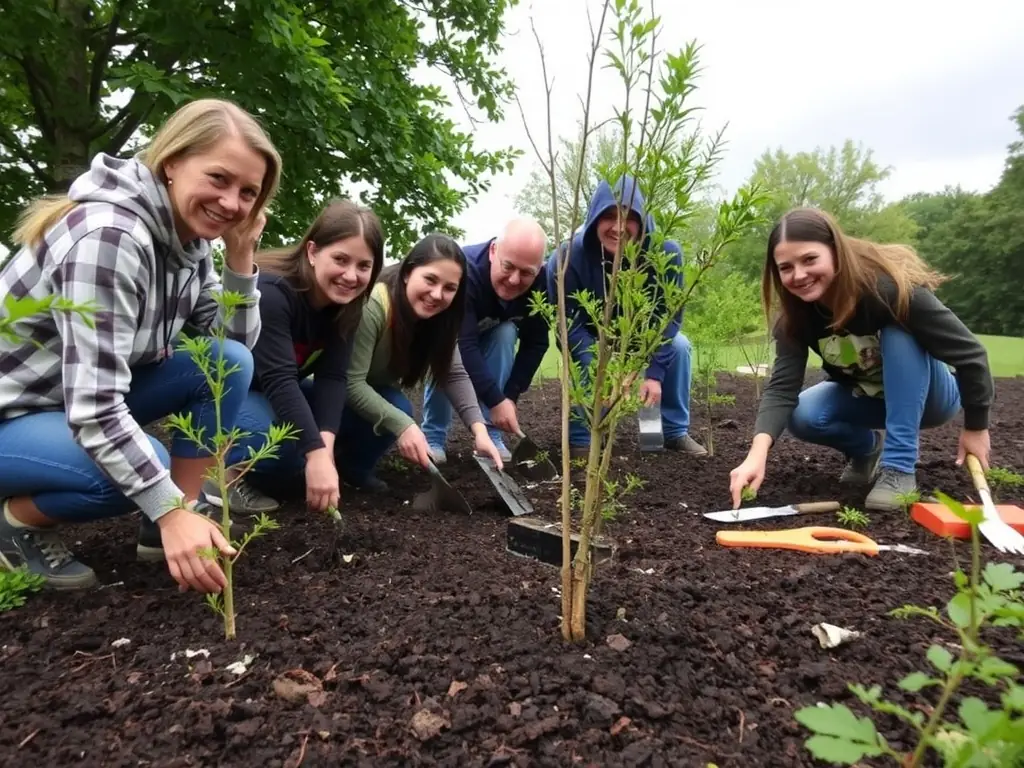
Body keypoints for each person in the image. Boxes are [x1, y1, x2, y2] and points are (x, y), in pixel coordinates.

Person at [0, 98, 282, 593]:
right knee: (132, 469)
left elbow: (229, 349)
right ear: (172, 162)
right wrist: (164, 500)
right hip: (15, 415)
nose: (233, 203)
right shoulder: (109, 237)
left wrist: (240, 259)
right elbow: (94, 410)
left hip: (60, 402)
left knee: (227, 363)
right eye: (218, 178)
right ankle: (13, 524)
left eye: (248, 192)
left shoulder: (188, 244)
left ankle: (171, 523)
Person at [728, 207, 994, 513]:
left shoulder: (890, 289)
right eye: (786, 267)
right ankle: (867, 450)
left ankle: (898, 467)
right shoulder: (795, 317)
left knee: (899, 331)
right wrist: (756, 454)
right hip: (868, 396)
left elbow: (971, 354)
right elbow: (781, 388)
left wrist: (976, 427)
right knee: (803, 415)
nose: (799, 274)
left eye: (810, 259)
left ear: (836, 252)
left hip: (931, 398)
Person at [193, 200, 384, 526]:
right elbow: (280, 379)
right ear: (312, 251)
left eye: (364, 266)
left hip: (272, 393)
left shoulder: (348, 306)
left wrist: (324, 450)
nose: (351, 275)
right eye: (340, 259)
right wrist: (316, 453)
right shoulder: (273, 290)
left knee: (380, 410)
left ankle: (303, 472)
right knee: (279, 440)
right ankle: (223, 481)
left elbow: (333, 378)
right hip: (226, 397)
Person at [545, 173, 706, 458]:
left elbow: (666, 320)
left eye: (629, 217)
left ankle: (665, 434)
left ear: (642, 220)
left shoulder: (665, 253)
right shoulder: (567, 258)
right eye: (608, 216)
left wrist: (652, 374)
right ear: (594, 218)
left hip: (642, 336)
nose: (618, 227)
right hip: (591, 339)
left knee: (679, 346)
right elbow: (568, 327)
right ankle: (585, 439)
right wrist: (602, 370)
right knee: (586, 358)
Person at [339, 233, 505, 491]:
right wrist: (404, 427)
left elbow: (453, 374)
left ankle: (352, 468)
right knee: (400, 412)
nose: (437, 294)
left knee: (397, 404)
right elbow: (350, 383)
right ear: (408, 272)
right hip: (323, 396)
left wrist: (480, 431)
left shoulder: (440, 319)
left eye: (450, 288)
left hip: (357, 401)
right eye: (430, 279)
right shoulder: (376, 305)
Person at [420, 217, 550, 464]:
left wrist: (509, 396)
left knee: (506, 333)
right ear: (493, 251)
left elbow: (536, 343)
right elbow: (464, 344)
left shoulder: (541, 285)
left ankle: (491, 433)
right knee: (444, 349)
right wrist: (495, 399)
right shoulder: (464, 271)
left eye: (526, 273)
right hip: (450, 337)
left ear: (540, 269)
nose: (514, 279)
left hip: (492, 331)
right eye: (508, 266)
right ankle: (433, 436)